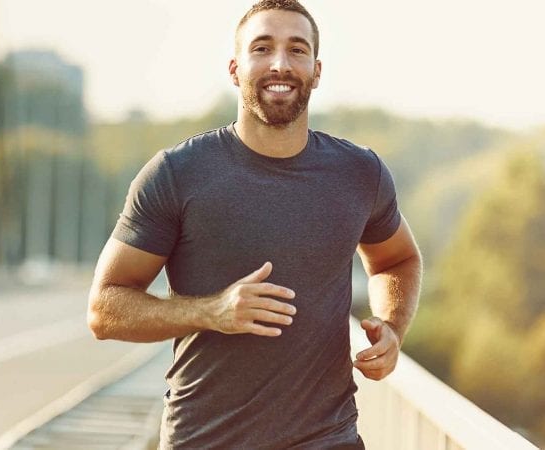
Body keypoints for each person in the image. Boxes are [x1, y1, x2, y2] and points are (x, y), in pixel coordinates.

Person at [87, 0, 422, 448]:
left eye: (297, 50)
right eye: (262, 48)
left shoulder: (360, 173)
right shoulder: (176, 173)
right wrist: (212, 312)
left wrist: (392, 329)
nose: (280, 64)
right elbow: (104, 309)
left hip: (329, 438)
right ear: (234, 68)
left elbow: (396, 259)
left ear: (317, 71)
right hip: (205, 440)